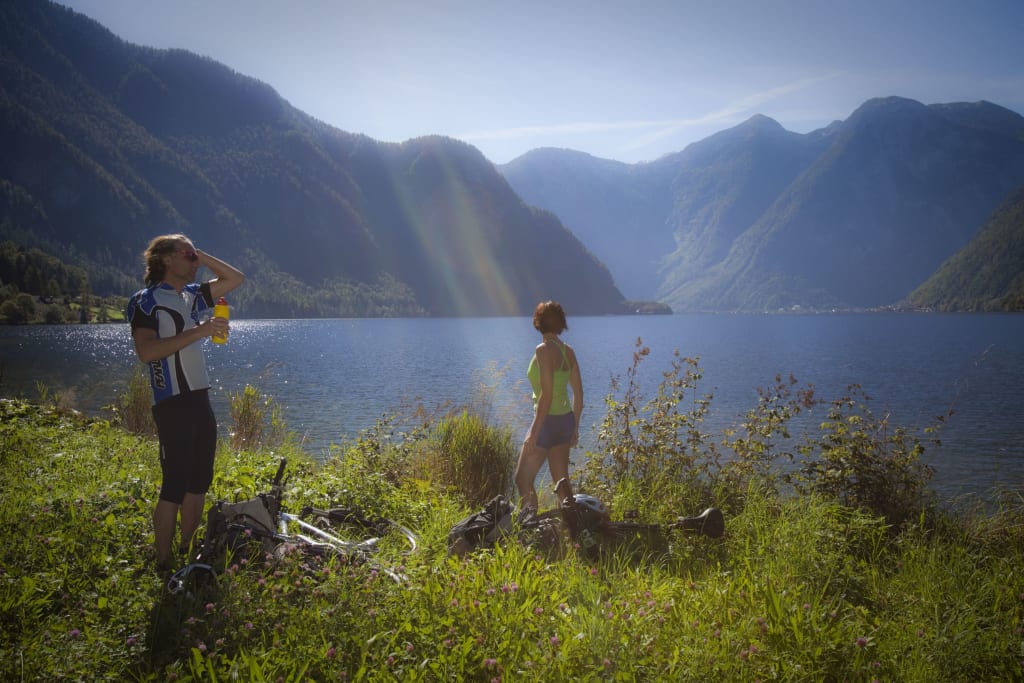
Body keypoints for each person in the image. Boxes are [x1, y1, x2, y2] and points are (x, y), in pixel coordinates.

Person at [126, 234, 245, 569]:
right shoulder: (146, 301)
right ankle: (163, 563)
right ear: (165, 259)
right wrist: (200, 331)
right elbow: (147, 352)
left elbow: (236, 279)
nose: (194, 263)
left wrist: (201, 255)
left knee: (199, 483)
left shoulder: (193, 296)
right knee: (174, 486)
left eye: (195, 257)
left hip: (200, 399)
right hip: (173, 402)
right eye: (188, 256)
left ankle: (187, 552)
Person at [514, 301, 584, 515]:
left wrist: (533, 432)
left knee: (522, 479)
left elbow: (546, 395)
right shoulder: (568, 352)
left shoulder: (543, 350)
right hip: (564, 421)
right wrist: (574, 428)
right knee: (562, 484)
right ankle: (577, 534)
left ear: (538, 323)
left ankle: (530, 527)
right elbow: (579, 396)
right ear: (561, 324)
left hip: (546, 423)